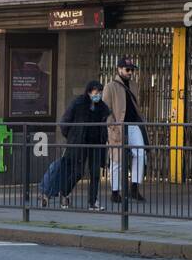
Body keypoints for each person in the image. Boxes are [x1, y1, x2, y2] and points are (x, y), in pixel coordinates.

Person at [59, 79, 110, 209]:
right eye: (95, 92)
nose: (97, 94)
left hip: (96, 143)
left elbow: (105, 123)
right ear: (88, 92)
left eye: (100, 92)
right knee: (78, 172)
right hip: (80, 142)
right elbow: (65, 121)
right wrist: (71, 137)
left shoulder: (102, 107)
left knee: (95, 173)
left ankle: (92, 202)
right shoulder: (78, 103)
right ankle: (64, 193)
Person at [104, 56, 148, 204]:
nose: (130, 72)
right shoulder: (110, 87)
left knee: (140, 153)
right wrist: (113, 126)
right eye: (127, 69)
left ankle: (134, 187)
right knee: (117, 159)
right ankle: (115, 192)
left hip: (134, 124)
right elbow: (106, 109)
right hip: (119, 127)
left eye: (132, 70)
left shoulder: (134, 85)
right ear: (119, 69)